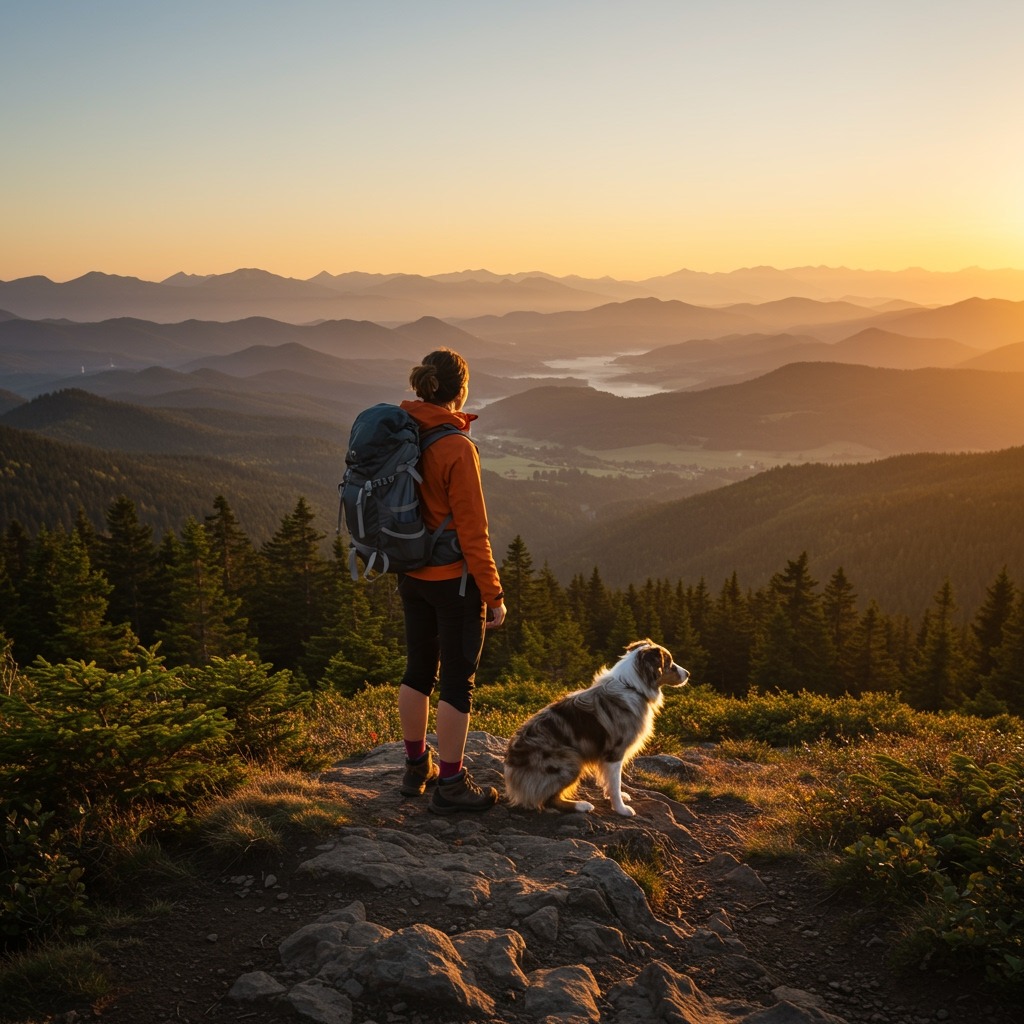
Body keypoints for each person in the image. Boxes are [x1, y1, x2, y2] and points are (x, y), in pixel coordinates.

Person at [396, 348, 507, 814]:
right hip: (454, 582)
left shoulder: (403, 432)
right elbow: (473, 531)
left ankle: (415, 766)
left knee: (418, 669)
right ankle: (452, 784)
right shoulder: (456, 446)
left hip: (411, 572)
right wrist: (494, 594)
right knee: (457, 682)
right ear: (459, 390)